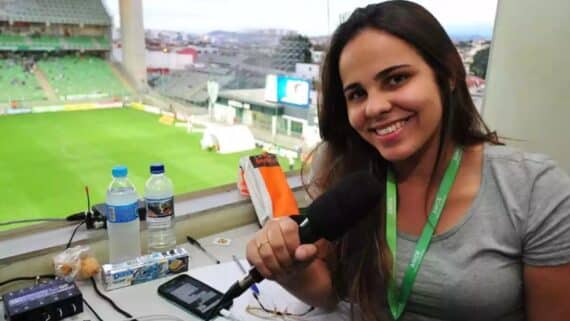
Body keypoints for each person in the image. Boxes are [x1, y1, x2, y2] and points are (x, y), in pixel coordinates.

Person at [245, 1, 570, 321]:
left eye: (396, 79)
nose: (375, 107)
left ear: (448, 75)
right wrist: (287, 268)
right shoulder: (342, 169)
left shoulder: (534, 189)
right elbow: (333, 295)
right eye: (357, 94)